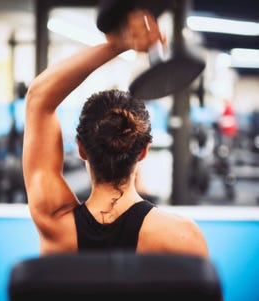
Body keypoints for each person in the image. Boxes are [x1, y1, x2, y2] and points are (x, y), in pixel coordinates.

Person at [22, 9, 209, 258]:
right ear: (143, 152)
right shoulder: (182, 236)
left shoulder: (55, 224)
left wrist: (118, 45)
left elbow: (38, 98)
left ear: (81, 148)